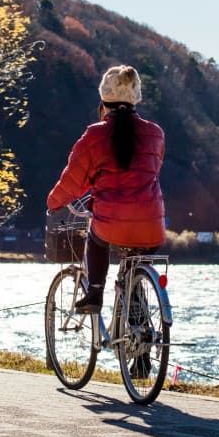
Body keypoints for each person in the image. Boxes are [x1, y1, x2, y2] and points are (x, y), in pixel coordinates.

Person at [47, 65, 166, 314]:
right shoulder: (155, 133)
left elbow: (74, 179)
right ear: (136, 99)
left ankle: (95, 293)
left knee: (97, 239)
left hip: (110, 224)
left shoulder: (95, 135)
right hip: (152, 225)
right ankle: (138, 323)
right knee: (135, 267)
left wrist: (54, 202)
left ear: (104, 100)